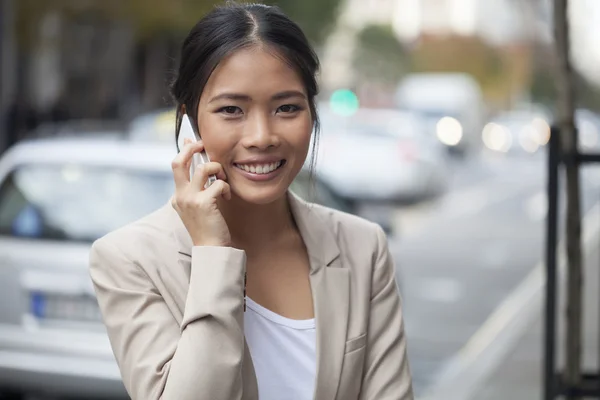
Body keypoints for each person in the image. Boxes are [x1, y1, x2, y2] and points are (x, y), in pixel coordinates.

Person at [88, 2, 413, 400]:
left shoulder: (363, 247)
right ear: (192, 119)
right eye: (231, 110)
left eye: (287, 107)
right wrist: (212, 255)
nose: (261, 136)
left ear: (312, 112)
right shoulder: (129, 259)